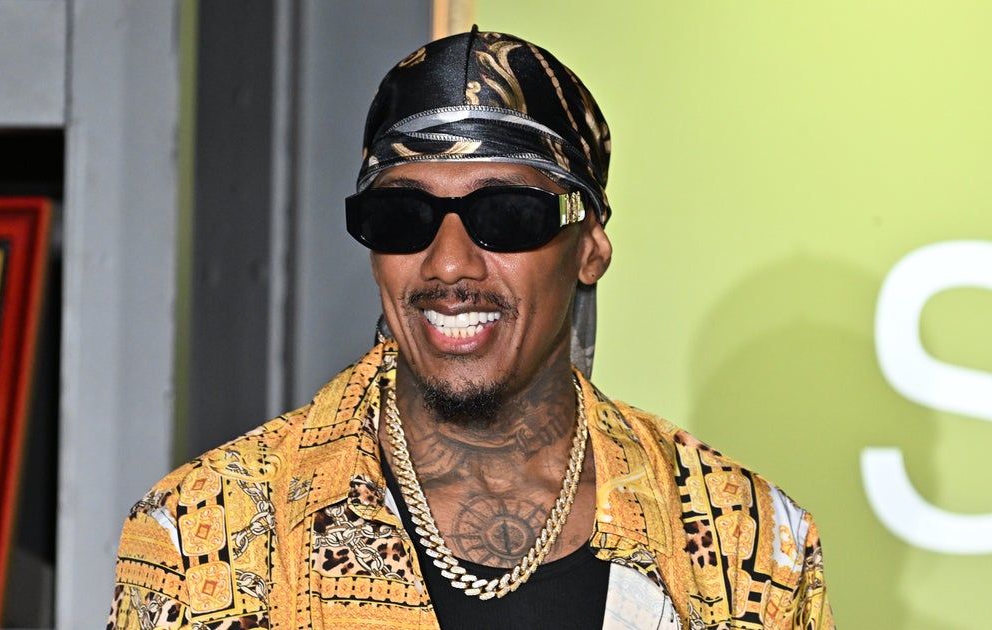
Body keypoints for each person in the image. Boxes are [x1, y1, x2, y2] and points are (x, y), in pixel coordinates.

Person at [109, 28, 834, 629]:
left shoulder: (748, 541)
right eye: (403, 216)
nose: (449, 263)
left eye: (506, 215)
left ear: (589, 246)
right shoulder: (206, 533)